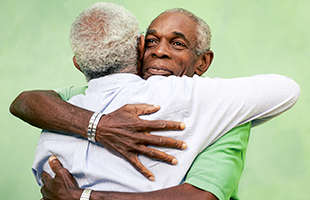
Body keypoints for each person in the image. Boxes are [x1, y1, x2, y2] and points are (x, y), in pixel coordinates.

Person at [10, 3, 300, 200]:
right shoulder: (87, 99)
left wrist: (84, 197)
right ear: (138, 48)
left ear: (203, 62)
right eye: (151, 41)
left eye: (177, 43)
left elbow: (200, 197)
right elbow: (27, 101)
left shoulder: (221, 112)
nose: (159, 52)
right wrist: (100, 126)